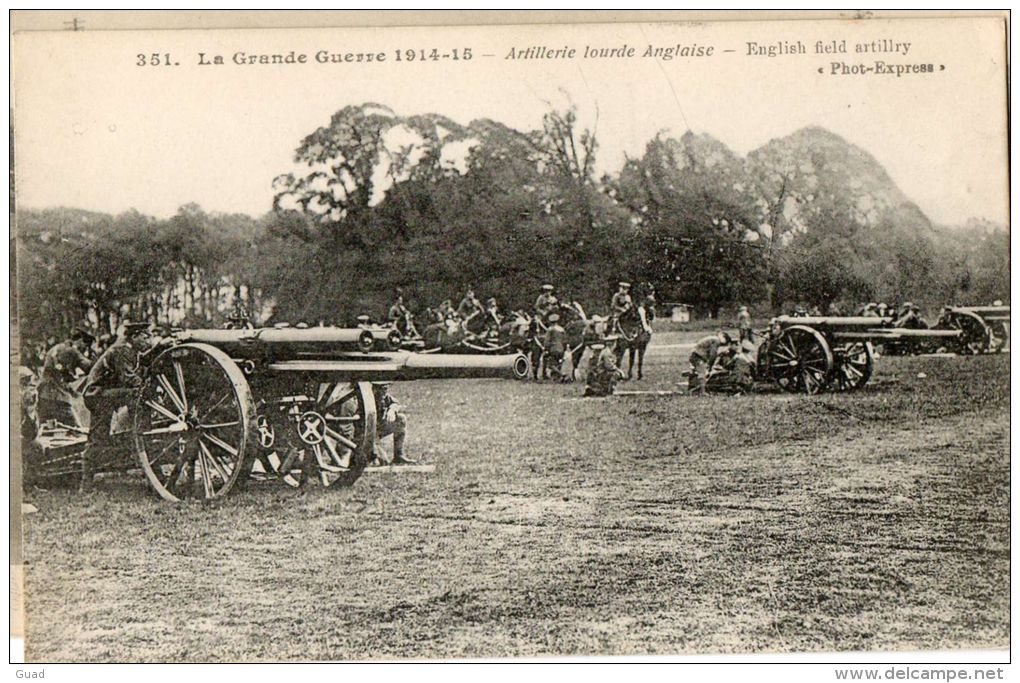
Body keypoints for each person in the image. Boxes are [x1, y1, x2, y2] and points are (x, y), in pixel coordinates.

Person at [79, 322, 150, 492]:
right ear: (134, 337)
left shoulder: (130, 350)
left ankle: (139, 433)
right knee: (98, 436)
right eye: (145, 336)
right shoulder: (121, 350)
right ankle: (85, 483)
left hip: (109, 392)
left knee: (137, 398)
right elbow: (128, 378)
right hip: (98, 394)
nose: (148, 339)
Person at [37, 328, 94, 425]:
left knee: (45, 430)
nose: (85, 349)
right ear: (79, 341)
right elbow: (90, 368)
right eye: (85, 346)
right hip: (59, 399)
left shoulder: (55, 348)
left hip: (43, 395)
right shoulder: (72, 351)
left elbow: (58, 374)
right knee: (77, 430)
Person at [372, 382, 416, 466]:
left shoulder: (386, 397)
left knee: (400, 418)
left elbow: (396, 403)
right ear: (374, 389)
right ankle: (374, 457)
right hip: (366, 433)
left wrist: (392, 410)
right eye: (380, 389)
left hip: (378, 429)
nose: (384, 391)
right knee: (383, 461)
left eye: (385, 388)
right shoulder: (368, 399)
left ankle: (398, 455)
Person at [688, 330, 732, 396]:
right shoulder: (716, 341)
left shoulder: (713, 339)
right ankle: (702, 392)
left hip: (696, 355)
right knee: (702, 373)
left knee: (697, 372)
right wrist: (710, 366)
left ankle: (693, 387)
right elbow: (713, 354)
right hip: (698, 356)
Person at [543, 313, 567, 381]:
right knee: (558, 364)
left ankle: (562, 374)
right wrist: (564, 349)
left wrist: (546, 349)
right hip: (561, 348)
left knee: (550, 364)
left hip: (553, 348)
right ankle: (556, 378)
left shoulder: (550, 329)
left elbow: (547, 341)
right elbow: (565, 341)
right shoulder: (562, 329)